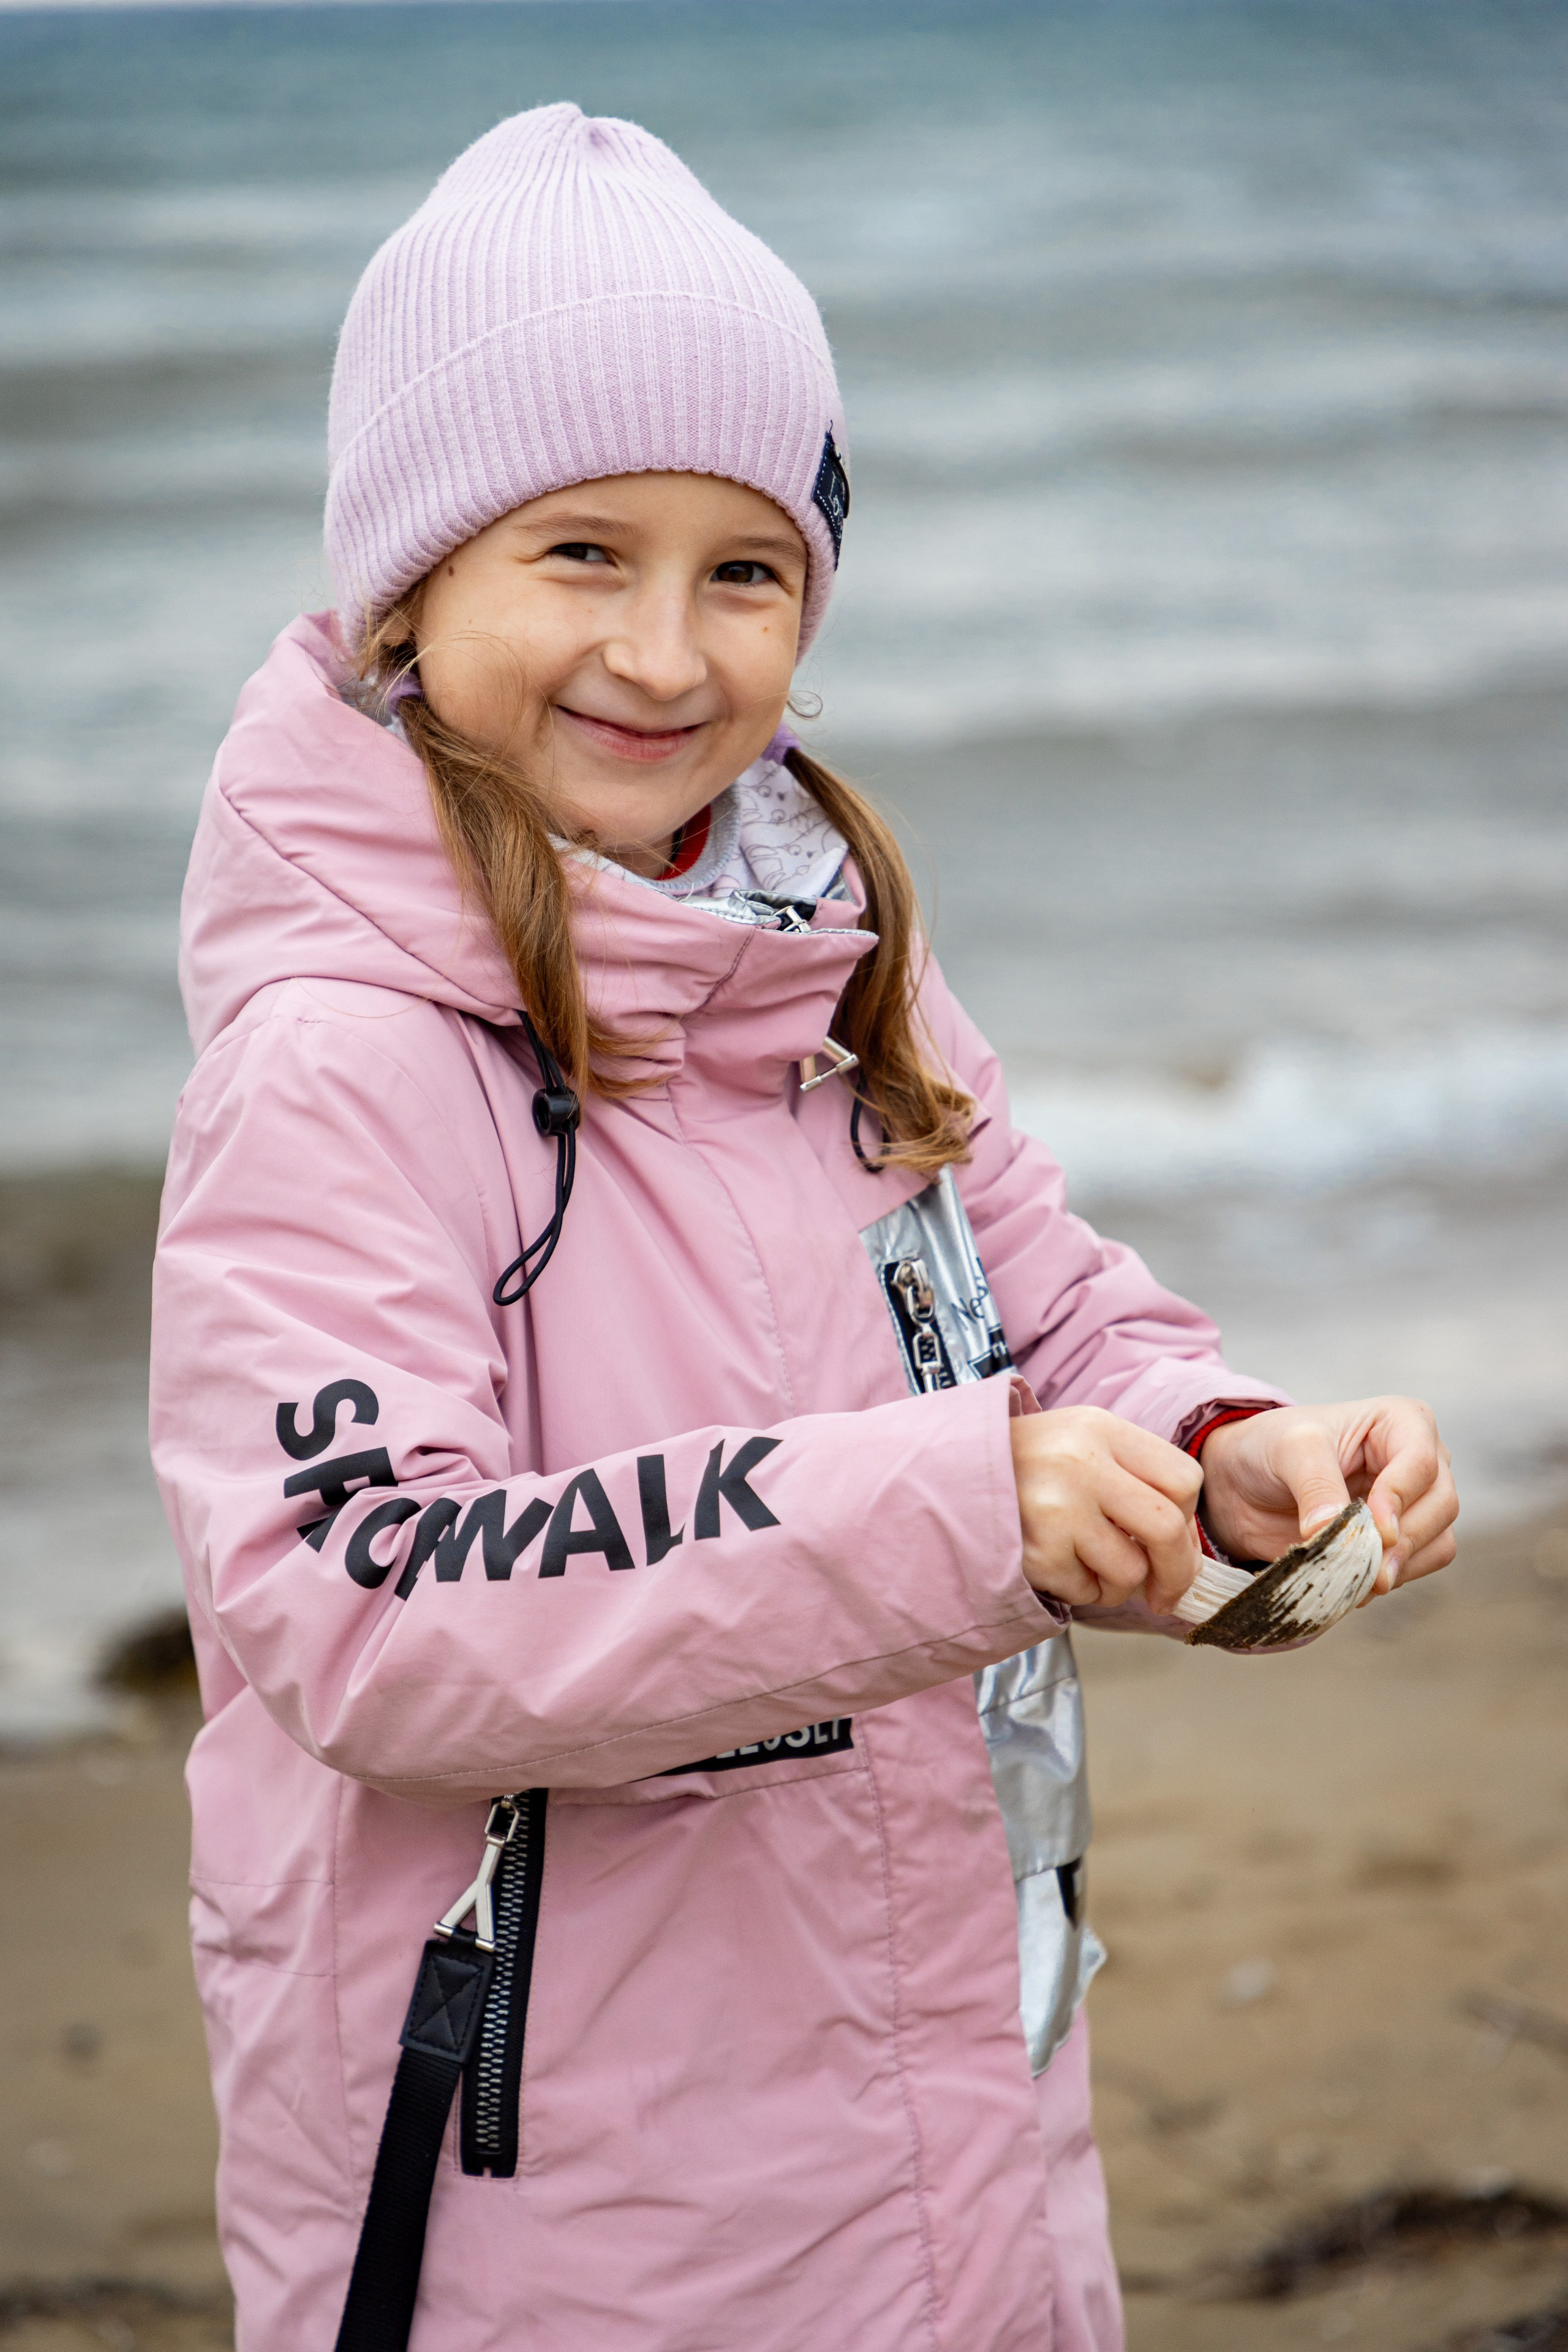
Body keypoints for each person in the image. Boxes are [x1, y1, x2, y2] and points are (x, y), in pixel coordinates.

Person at [149, 104, 1458, 2352]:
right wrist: (960, 1509)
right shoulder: (339, 1059)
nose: (667, 652)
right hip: (564, 2205)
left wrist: (1212, 1438)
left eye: (746, 570)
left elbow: (1027, 1304)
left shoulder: (822, 951)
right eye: (579, 549)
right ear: (408, 582)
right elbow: (361, 1605)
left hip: (953, 2098)